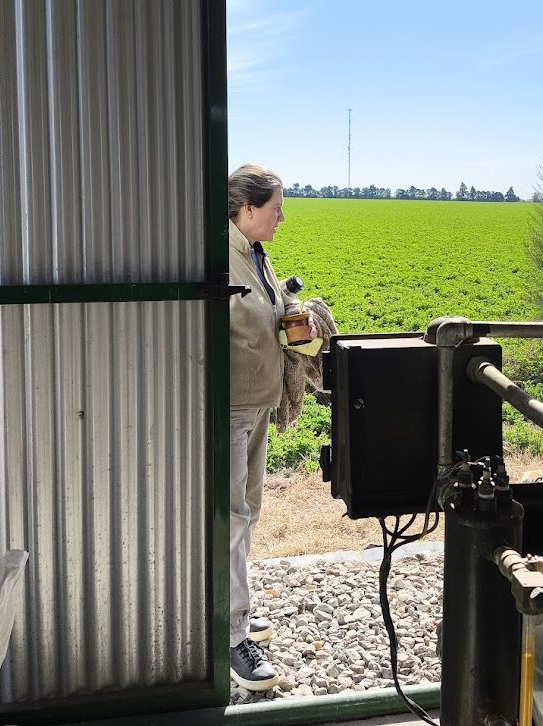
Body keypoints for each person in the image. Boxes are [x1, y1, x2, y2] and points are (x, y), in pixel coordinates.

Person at [226, 163, 313, 692]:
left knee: (249, 510)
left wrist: (292, 313)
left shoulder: (255, 252)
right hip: (233, 408)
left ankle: (236, 608)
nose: (282, 215)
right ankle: (232, 634)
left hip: (258, 402)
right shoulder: (220, 257)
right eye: (276, 207)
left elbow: (260, 311)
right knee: (234, 516)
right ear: (248, 208)